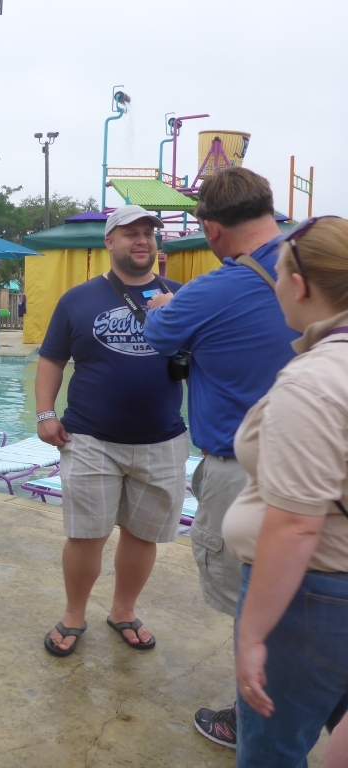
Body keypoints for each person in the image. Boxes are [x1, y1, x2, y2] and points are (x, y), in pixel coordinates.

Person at [142, 166, 299, 748]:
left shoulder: (211, 290)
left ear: (210, 230)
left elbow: (159, 335)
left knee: (254, 604)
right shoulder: (321, 259)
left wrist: (164, 304)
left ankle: (254, 722)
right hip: (328, 463)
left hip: (249, 473)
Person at [222, 216, 348, 768]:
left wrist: (253, 635)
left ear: (299, 286)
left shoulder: (317, 381)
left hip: (312, 601)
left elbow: (297, 522)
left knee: (272, 754)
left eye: (278, 276)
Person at [37, 204, 189, 657]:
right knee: (86, 535)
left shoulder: (182, 297)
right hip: (89, 439)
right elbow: (51, 360)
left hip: (163, 439)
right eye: (130, 233)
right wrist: (46, 414)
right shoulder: (78, 299)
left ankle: (124, 609)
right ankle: (73, 614)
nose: (142, 240)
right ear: (109, 242)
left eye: (149, 233)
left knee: (143, 535)